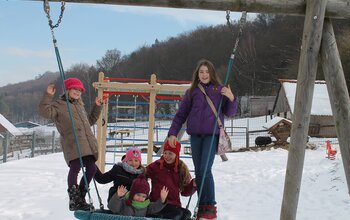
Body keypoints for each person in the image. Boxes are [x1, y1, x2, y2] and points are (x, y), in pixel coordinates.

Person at [167, 59, 238, 220]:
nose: (204, 75)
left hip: (211, 135)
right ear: (197, 74)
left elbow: (230, 112)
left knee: (205, 169)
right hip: (195, 136)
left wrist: (231, 98)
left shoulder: (220, 90)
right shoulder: (191, 92)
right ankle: (202, 206)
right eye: (201, 72)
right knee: (198, 171)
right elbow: (181, 115)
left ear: (211, 73)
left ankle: (210, 206)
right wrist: (172, 133)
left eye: (207, 72)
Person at [38, 77, 104, 211]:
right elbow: (45, 112)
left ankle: (80, 196)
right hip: (72, 143)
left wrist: (97, 106)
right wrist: (48, 95)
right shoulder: (59, 105)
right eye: (75, 89)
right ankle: (74, 198)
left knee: (92, 169)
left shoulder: (80, 106)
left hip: (87, 144)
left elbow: (89, 120)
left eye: (80, 90)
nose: (78, 92)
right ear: (67, 90)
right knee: (75, 167)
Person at [145, 140, 196, 220]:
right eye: (165, 153)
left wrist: (193, 184)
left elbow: (185, 191)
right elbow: (143, 175)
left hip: (174, 204)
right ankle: (155, 216)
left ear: (177, 154)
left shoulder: (181, 168)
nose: (167, 156)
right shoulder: (156, 166)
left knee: (186, 214)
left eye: (170, 153)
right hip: (158, 203)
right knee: (176, 215)